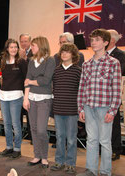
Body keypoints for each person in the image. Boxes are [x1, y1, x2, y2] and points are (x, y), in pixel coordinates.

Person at [77, 29, 121, 176]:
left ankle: (105, 172)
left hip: (105, 108)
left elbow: (116, 89)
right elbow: (82, 87)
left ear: (106, 42)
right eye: (92, 40)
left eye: (97, 40)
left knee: (105, 141)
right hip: (88, 107)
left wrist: (112, 110)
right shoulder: (87, 64)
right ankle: (91, 170)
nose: (93, 42)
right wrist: (81, 107)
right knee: (91, 140)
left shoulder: (113, 63)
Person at [23, 36, 55, 168]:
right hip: (31, 98)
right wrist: (26, 98)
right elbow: (27, 80)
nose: (31, 48)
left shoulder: (50, 60)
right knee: (34, 129)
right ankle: (37, 156)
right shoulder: (31, 61)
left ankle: (44, 157)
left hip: (44, 99)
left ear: (41, 46)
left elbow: (46, 80)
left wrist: (31, 81)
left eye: (34, 45)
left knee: (41, 130)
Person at [50, 43, 81, 174]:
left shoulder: (78, 71)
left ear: (73, 55)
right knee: (60, 137)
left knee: (72, 139)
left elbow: (81, 91)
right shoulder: (55, 71)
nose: (64, 54)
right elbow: (53, 88)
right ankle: (59, 161)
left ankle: (70, 163)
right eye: (62, 52)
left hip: (72, 110)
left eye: (67, 52)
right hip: (58, 109)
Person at [0, 39, 28, 159]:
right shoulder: (3, 61)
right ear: (7, 49)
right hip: (4, 95)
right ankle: (9, 147)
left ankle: (17, 148)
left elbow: (26, 79)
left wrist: (26, 95)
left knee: (16, 123)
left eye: (16, 47)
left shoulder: (21, 62)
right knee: (6, 123)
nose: (14, 49)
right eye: (11, 47)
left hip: (17, 95)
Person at [107, 29, 125, 161]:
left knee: (114, 123)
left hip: (113, 94)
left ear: (111, 40)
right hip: (99, 94)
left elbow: (119, 73)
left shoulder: (120, 55)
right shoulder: (99, 55)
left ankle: (115, 149)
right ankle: (104, 147)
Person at [19, 33, 32, 143]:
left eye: (25, 41)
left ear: (30, 42)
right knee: (18, 113)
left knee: (30, 114)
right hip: (19, 88)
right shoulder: (16, 53)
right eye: (22, 41)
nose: (23, 43)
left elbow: (30, 71)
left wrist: (25, 59)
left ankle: (32, 137)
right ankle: (19, 135)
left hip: (30, 88)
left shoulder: (34, 54)